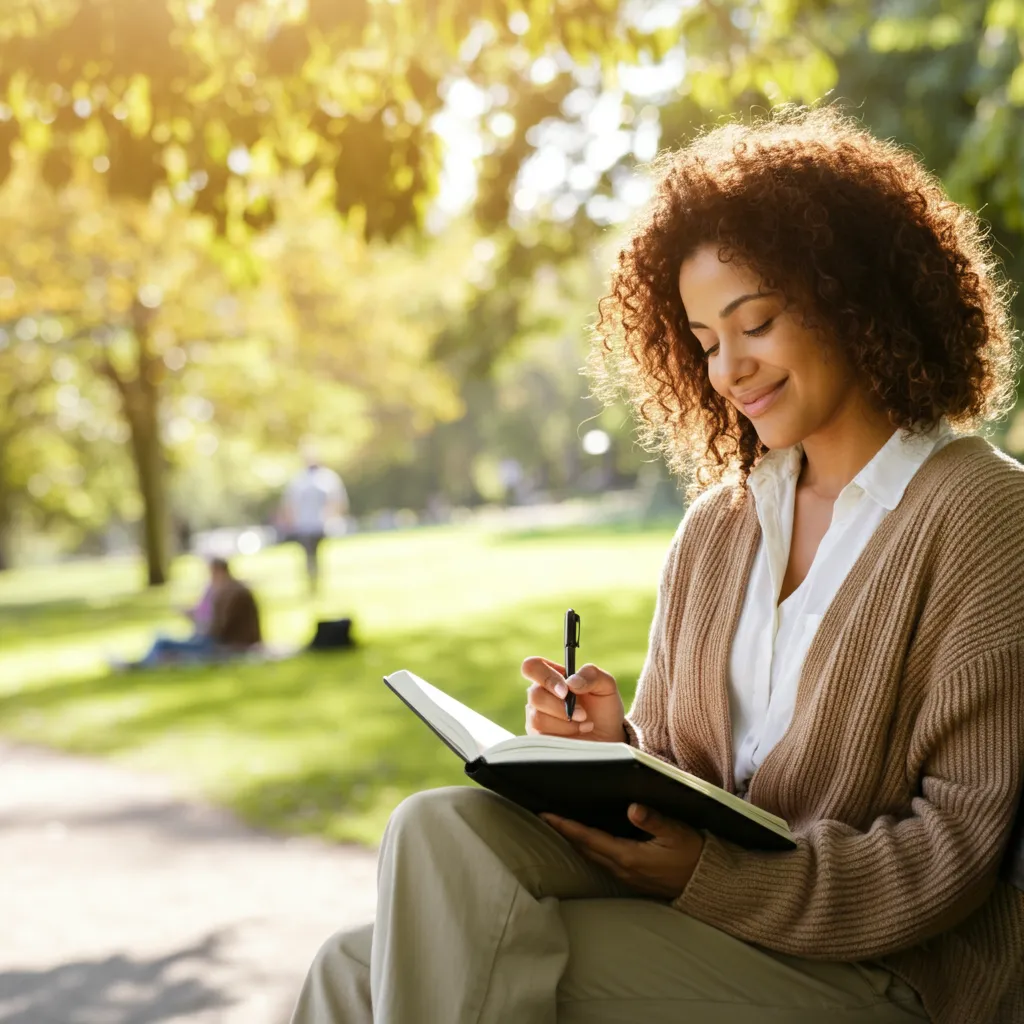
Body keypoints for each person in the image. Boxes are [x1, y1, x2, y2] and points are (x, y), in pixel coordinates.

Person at [290, 108, 1024, 1024]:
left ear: (852, 296)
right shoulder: (720, 527)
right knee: (392, 897)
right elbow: (698, 777)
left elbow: (957, 849)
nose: (728, 371)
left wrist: (715, 880)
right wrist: (616, 756)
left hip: (885, 975)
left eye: (753, 323)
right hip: (710, 923)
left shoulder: (986, 518)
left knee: (418, 972)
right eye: (706, 342)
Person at [129, 557, 262, 668]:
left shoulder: (231, 593)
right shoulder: (230, 591)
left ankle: (139, 666)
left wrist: (198, 623)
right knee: (166, 641)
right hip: (223, 641)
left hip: (226, 645)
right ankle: (140, 664)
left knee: (162, 642)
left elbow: (219, 628)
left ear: (219, 572)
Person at [279, 458, 349, 593]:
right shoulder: (298, 479)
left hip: (320, 525)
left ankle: (317, 582)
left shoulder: (327, 478)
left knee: (315, 555)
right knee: (309, 555)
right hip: (303, 526)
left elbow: (338, 501)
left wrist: (332, 518)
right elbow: (289, 505)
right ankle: (311, 583)